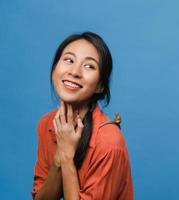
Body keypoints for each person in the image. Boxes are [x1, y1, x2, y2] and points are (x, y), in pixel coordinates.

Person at [31, 32, 134, 200]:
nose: (74, 71)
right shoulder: (46, 124)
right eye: (69, 60)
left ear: (100, 85)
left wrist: (66, 157)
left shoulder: (109, 142)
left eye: (89, 66)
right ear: (54, 69)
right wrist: (59, 158)